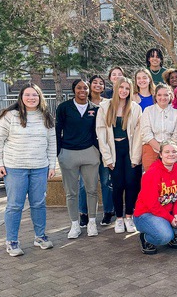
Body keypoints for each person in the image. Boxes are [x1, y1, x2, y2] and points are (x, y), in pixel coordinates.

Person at [0, 83, 56, 256]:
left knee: (38, 203)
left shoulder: (46, 116)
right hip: (15, 168)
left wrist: (52, 165)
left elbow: (52, 143)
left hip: (39, 167)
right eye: (27, 95)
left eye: (34, 95)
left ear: (40, 97)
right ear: (21, 97)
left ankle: (40, 236)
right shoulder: (9, 116)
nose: (31, 98)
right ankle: (12, 241)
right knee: (14, 205)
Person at [133, 141, 177, 254]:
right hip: (146, 214)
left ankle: (172, 233)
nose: (171, 154)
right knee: (165, 236)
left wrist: (176, 214)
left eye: (174, 151)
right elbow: (153, 205)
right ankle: (147, 238)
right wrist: (171, 219)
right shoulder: (152, 173)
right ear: (160, 154)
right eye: (167, 152)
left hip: (168, 209)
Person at [96, 77, 143, 234]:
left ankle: (129, 216)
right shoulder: (105, 107)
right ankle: (119, 218)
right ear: (116, 89)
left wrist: (135, 157)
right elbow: (101, 132)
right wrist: (107, 158)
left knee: (131, 184)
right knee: (117, 186)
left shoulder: (135, 108)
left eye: (127, 88)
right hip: (113, 149)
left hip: (129, 149)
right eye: (121, 87)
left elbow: (138, 134)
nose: (124, 91)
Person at [56, 79, 100, 239]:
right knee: (71, 192)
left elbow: (98, 131)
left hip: (89, 152)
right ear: (74, 90)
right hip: (68, 153)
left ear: (89, 90)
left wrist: (97, 151)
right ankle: (75, 224)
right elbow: (57, 130)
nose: (82, 90)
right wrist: (59, 152)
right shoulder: (64, 108)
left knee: (92, 190)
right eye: (79, 88)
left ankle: (92, 222)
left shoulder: (95, 109)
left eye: (85, 87)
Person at [78, 75, 114, 227]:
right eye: (95, 82)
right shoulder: (83, 103)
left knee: (106, 181)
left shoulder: (108, 103)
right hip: (87, 148)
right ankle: (84, 213)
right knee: (84, 183)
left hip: (104, 147)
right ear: (89, 85)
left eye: (101, 83)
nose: (98, 85)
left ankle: (108, 212)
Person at [141, 83, 177, 171]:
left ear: (170, 96)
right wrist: (161, 150)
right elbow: (146, 133)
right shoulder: (148, 111)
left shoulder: (176, 113)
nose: (162, 98)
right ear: (155, 96)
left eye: (166, 95)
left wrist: (168, 151)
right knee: (152, 179)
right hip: (151, 148)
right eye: (159, 95)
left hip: (171, 151)